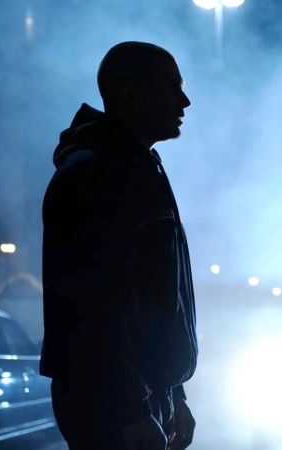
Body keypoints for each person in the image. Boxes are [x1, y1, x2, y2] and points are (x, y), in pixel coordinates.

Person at [40, 42, 198, 450]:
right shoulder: (98, 173)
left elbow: (153, 297)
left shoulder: (131, 168)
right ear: (131, 94)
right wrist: (132, 411)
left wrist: (172, 392)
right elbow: (91, 307)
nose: (184, 102)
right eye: (171, 87)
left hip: (133, 395)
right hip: (114, 403)